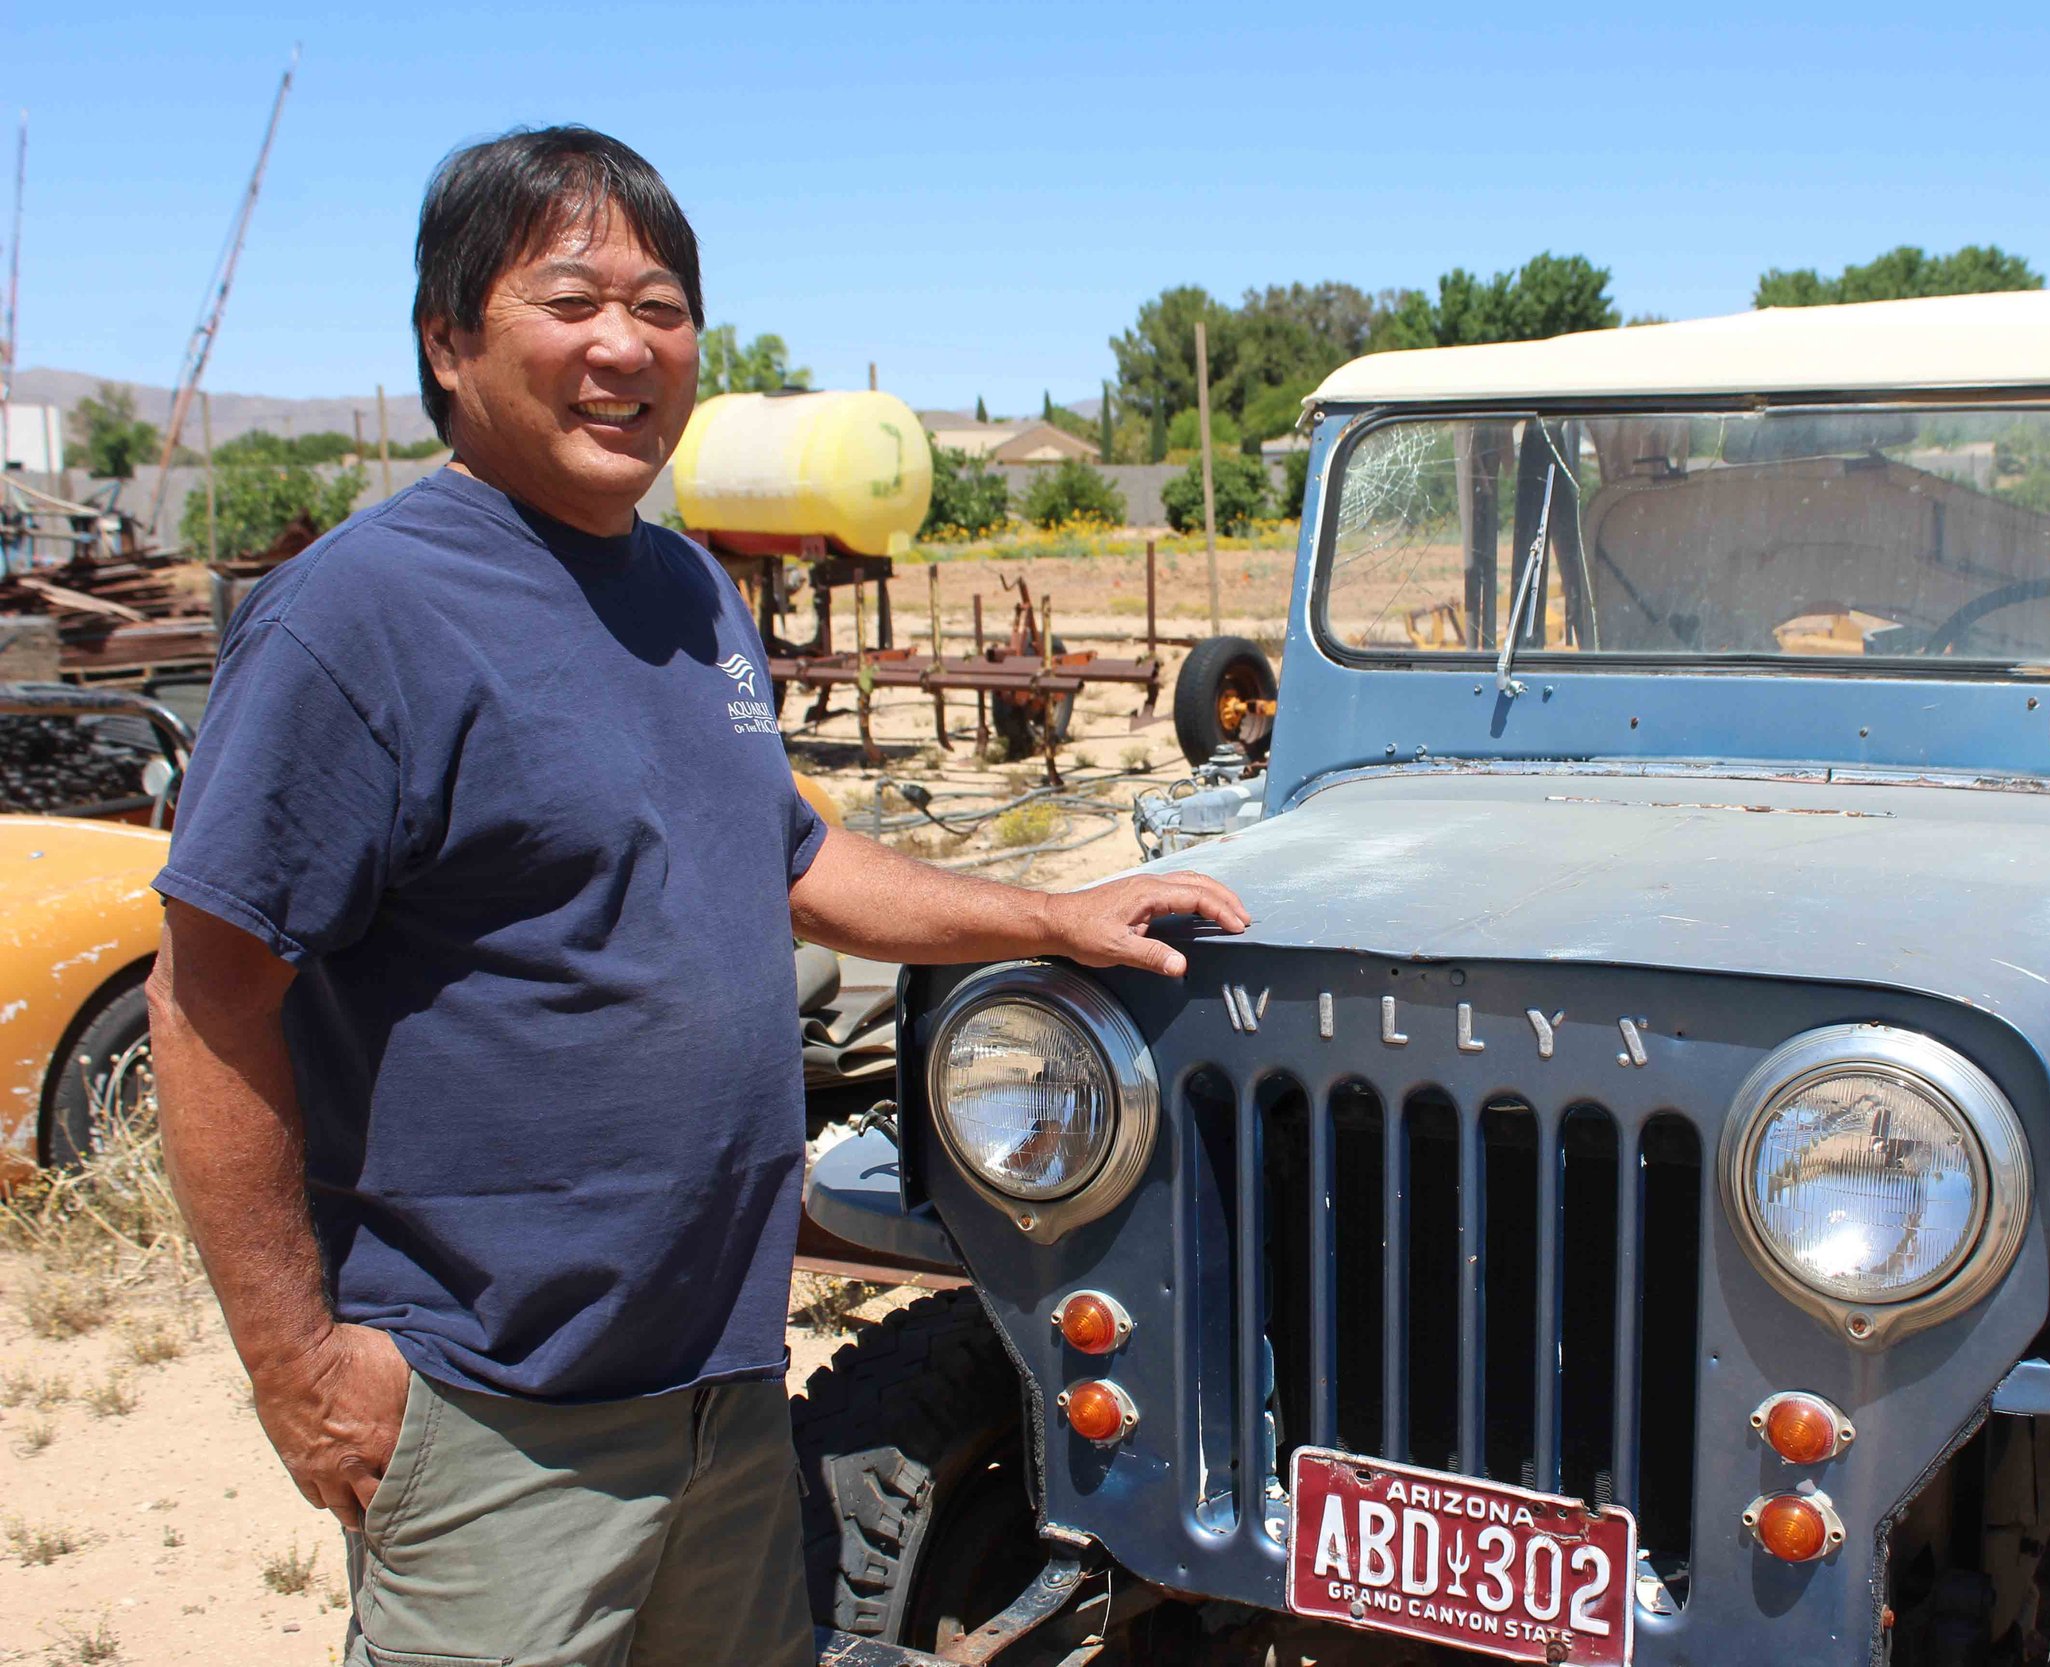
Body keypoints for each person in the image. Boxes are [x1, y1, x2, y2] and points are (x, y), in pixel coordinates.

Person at [145, 125, 1248, 1667]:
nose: (626, 345)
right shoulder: (364, 616)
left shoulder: (682, 592)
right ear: (448, 344)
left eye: (661, 307)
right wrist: (301, 1370)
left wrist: (1050, 917)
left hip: (721, 1396)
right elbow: (206, 1001)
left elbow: (789, 858)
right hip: (492, 1418)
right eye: (571, 299)